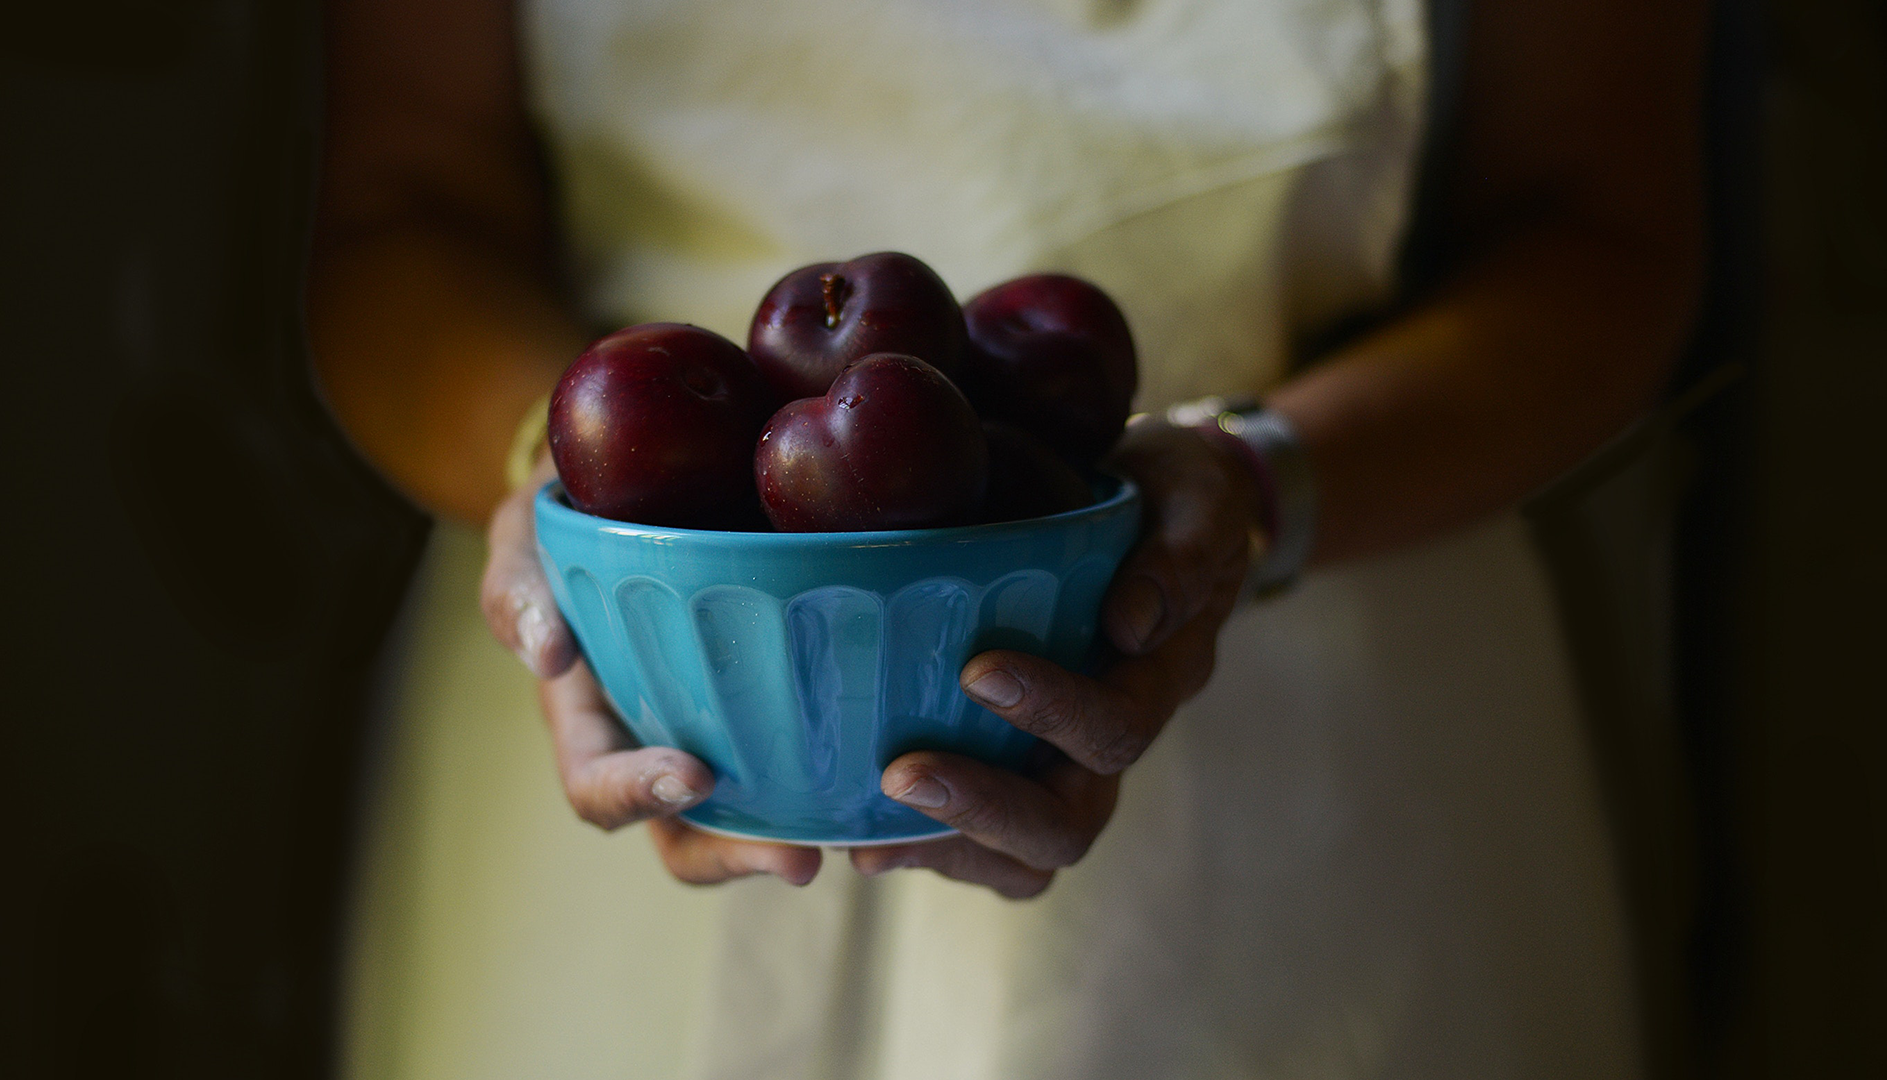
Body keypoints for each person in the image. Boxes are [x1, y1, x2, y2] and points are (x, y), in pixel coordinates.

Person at [311, 0, 1704, 1075]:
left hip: (1304, 768)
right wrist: (548, 494)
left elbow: (1598, 232)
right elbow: (398, 216)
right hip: (639, 695)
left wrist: (1259, 485)